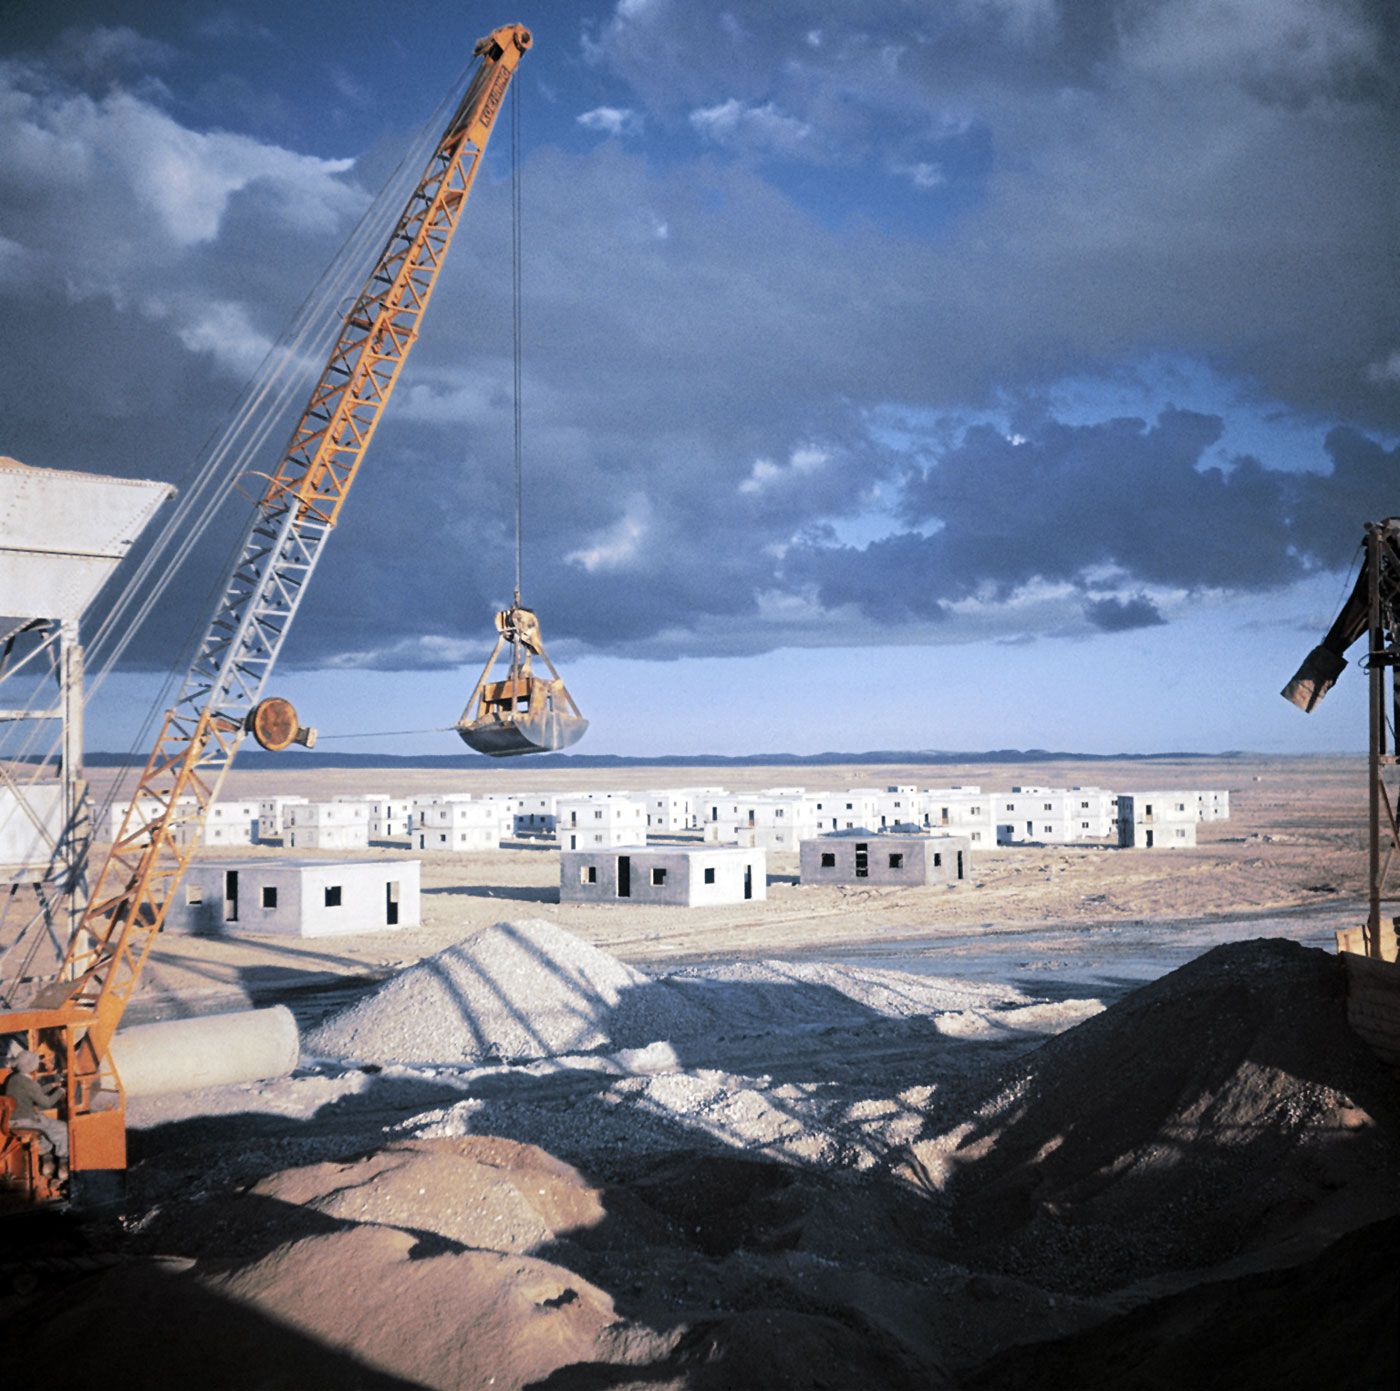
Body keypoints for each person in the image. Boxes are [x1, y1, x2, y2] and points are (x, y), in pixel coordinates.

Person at [4, 1049, 67, 1163]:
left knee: (45, 1123)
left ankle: (46, 1159)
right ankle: (63, 1164)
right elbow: (47, 1103)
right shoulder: (29, 1083)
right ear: (32, 1066)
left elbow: (32, 1093)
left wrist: (52, 1085)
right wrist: (61, 1091)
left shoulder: (13, 1079)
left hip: (12, 1121)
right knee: (63, 1128)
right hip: (26, 1121)